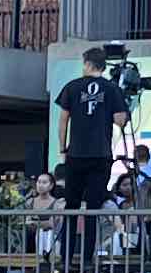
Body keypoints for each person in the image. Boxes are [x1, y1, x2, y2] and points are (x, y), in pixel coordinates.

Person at [53, 47, 131, 211]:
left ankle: (70, 236)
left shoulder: (71, 87)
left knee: (72, 202)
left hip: (76, 153)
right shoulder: (112, 88)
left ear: (88, 64)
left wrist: (62, 149)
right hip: (101, 153)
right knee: (94, 203)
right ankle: (90, 237)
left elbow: (63, 120)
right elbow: (120, 121)